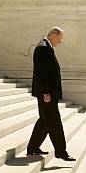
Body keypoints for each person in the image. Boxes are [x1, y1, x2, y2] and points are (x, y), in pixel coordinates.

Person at [26, 27, 75, 161]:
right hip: (47, 94)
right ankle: (61, 151)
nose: (60, 42)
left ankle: (33, 147)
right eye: (59, 39)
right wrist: (46, 92)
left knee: (44, 121)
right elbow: (41, 73)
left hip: (47, 93)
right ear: (53, 35)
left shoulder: (45, 46)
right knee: (54, 122)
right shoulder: (43, 48)